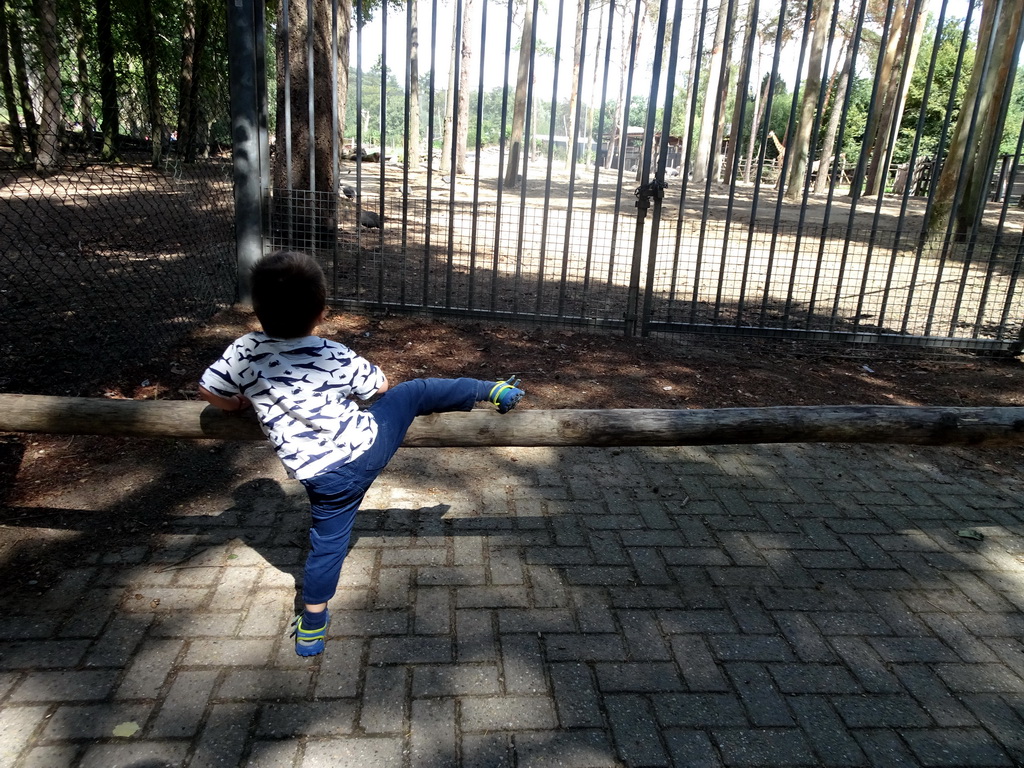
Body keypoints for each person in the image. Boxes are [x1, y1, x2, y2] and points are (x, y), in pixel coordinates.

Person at [198, 250, 524, 656]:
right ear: (321, 312)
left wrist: (239, 405)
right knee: (414, 391)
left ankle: (313, 625)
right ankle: (490, 390)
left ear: (257, 309)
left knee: (327, 542)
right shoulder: (331, 352)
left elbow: (209, 390)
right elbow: (380, 388)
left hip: (318, 475)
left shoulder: (244, 351)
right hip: (365, 449)